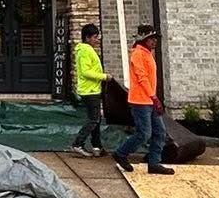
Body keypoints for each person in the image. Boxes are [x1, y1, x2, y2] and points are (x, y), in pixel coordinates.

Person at [115, 24, 174, 176]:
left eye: (155, 39)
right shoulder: (138, 54)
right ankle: (121, 153)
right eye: (151, 39)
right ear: (143, 39)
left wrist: (153, 98)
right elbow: (142, 78)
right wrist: (154, 97)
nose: (154, 41)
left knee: (160, 132)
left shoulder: (147, 53)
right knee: (144, 133)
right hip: (140, 101)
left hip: (149, 100)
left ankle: (154, 163)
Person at [71, 23, 106, 154]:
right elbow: (86, 72)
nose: (97, 40)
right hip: (89, 90)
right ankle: (78, 143)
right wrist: (104, 77)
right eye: (95, 37)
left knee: (96, 118)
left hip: (93, 89)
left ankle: (97, 146)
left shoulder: (86, 50)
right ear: (87, 38)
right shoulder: (85, 51)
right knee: (93, 119)